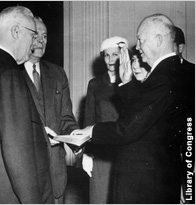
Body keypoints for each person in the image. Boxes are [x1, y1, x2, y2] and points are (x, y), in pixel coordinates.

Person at [74, 14, 187, 203]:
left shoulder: (162, 77)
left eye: (141, 40)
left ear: (159, 40)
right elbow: (143, 114)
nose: (138, 47)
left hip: (146, 184)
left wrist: (92, 130)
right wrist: (127, 84)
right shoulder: (172, 72)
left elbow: (128, 128)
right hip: (156, 177)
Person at [0, 7, 54, 203]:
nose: (33, 44)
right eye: (32, 35)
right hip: (10, 196)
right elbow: (18, 155)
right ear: (16, 31)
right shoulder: (9, 74)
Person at [21, 16, 79, 204]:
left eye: (45, 36)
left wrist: (78, 140)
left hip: (55, 171)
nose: (40, 41)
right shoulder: (9, 73)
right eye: (36, 35)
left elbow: (66, 118)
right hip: (24, 171)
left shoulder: (57, 73)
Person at [82, 36, 127, 204]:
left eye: (115, 55)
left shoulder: (131, 82)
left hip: (125, 152)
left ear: (122, 56)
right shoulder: (95, 84)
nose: (110, 60)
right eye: (106, 55)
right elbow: (89, 119)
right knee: (99, 198)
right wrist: (87, 152)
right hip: (101, 153)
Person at [173, 26, 195, 204]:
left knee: (189, 192)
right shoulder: (158, 74)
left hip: (190, 140)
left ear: (180, 48)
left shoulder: (193, 72)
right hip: (168, 144)